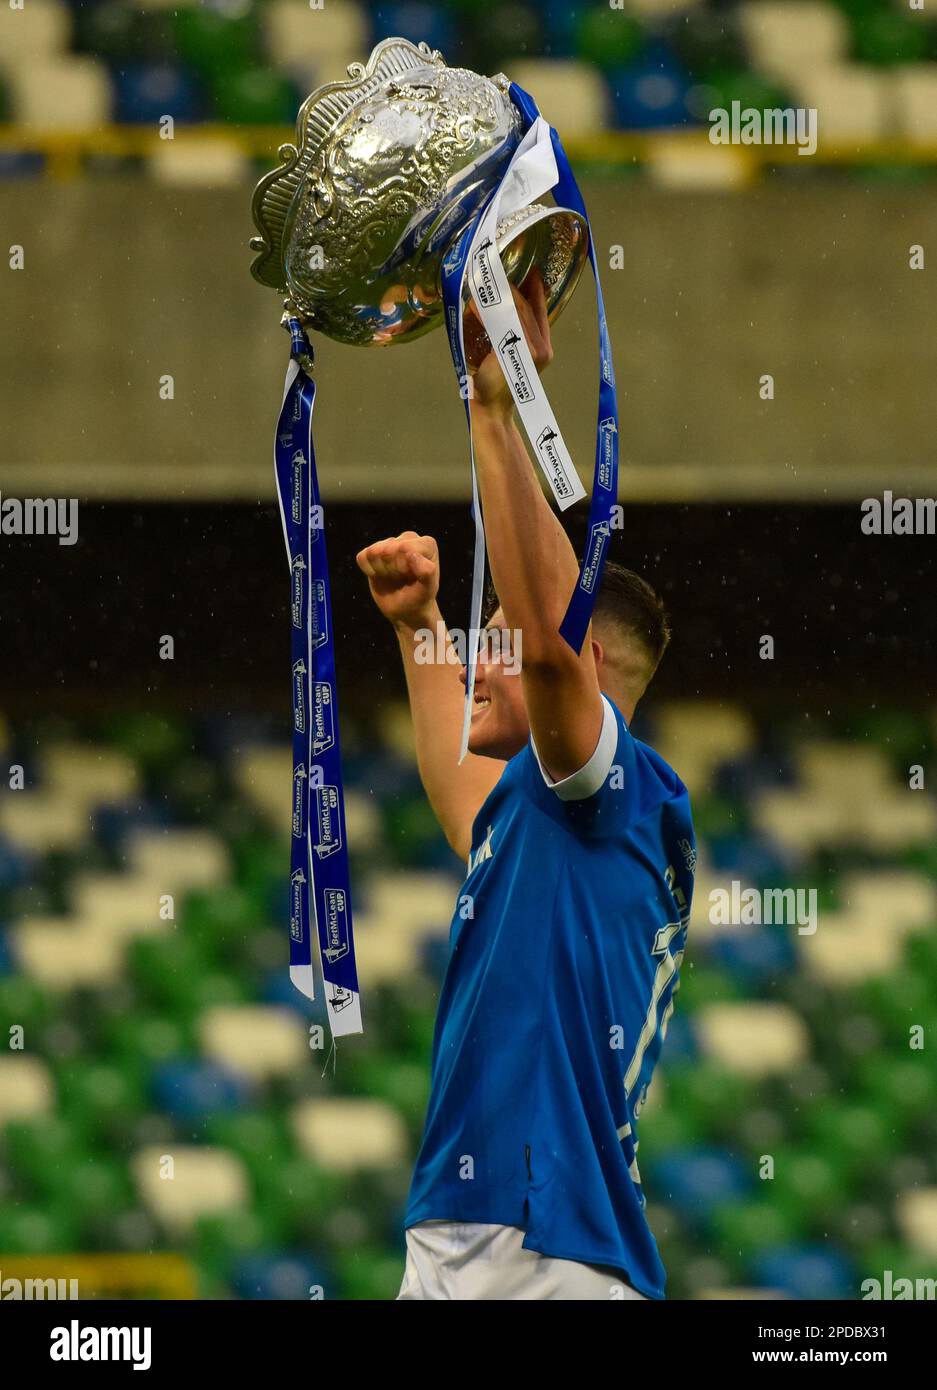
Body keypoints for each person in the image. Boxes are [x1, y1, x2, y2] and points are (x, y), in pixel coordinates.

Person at [356, 270, 695, 1300]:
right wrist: (423, 629)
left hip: (553, 1249)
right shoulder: (539, 808)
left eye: (494, 632)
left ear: (586, 667)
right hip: (459, 1234)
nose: (485, 654)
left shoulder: (621, 791)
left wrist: (498, 403)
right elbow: (460, 783)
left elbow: (550, 653)